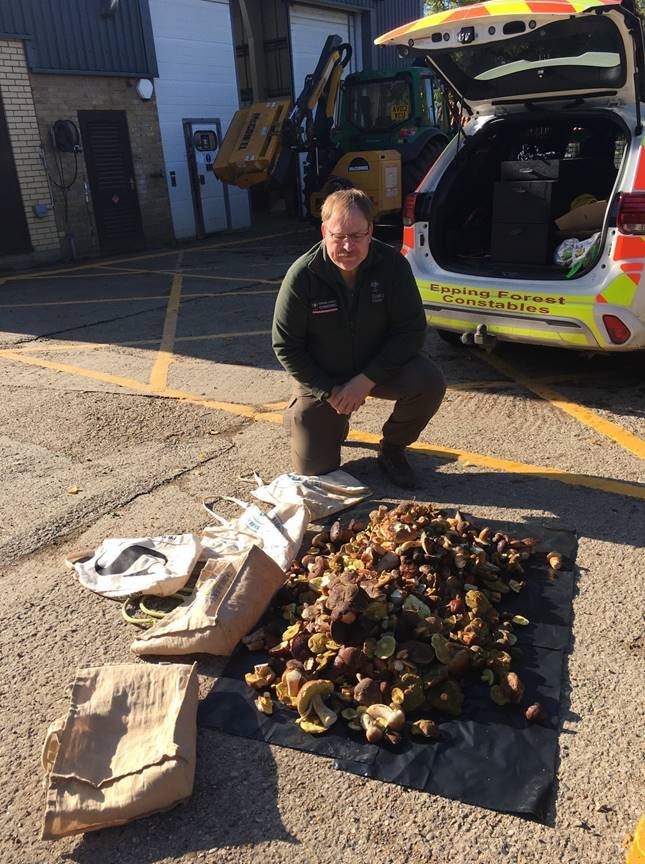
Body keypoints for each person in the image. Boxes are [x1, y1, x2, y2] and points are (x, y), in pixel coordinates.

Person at [272, 189, 445, 489]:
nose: (348, 246)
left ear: (370, 232)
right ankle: (312, 418)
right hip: (325, 375)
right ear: (325, 231)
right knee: (316, 473)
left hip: (378, 368)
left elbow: (412, 330)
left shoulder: (392, 266)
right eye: (339, 236)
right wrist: (329, 392)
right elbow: (286, 345)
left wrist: (364, 381)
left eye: (357, 235)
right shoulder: (303, 275)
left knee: (429, 382)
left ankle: (392, 449)